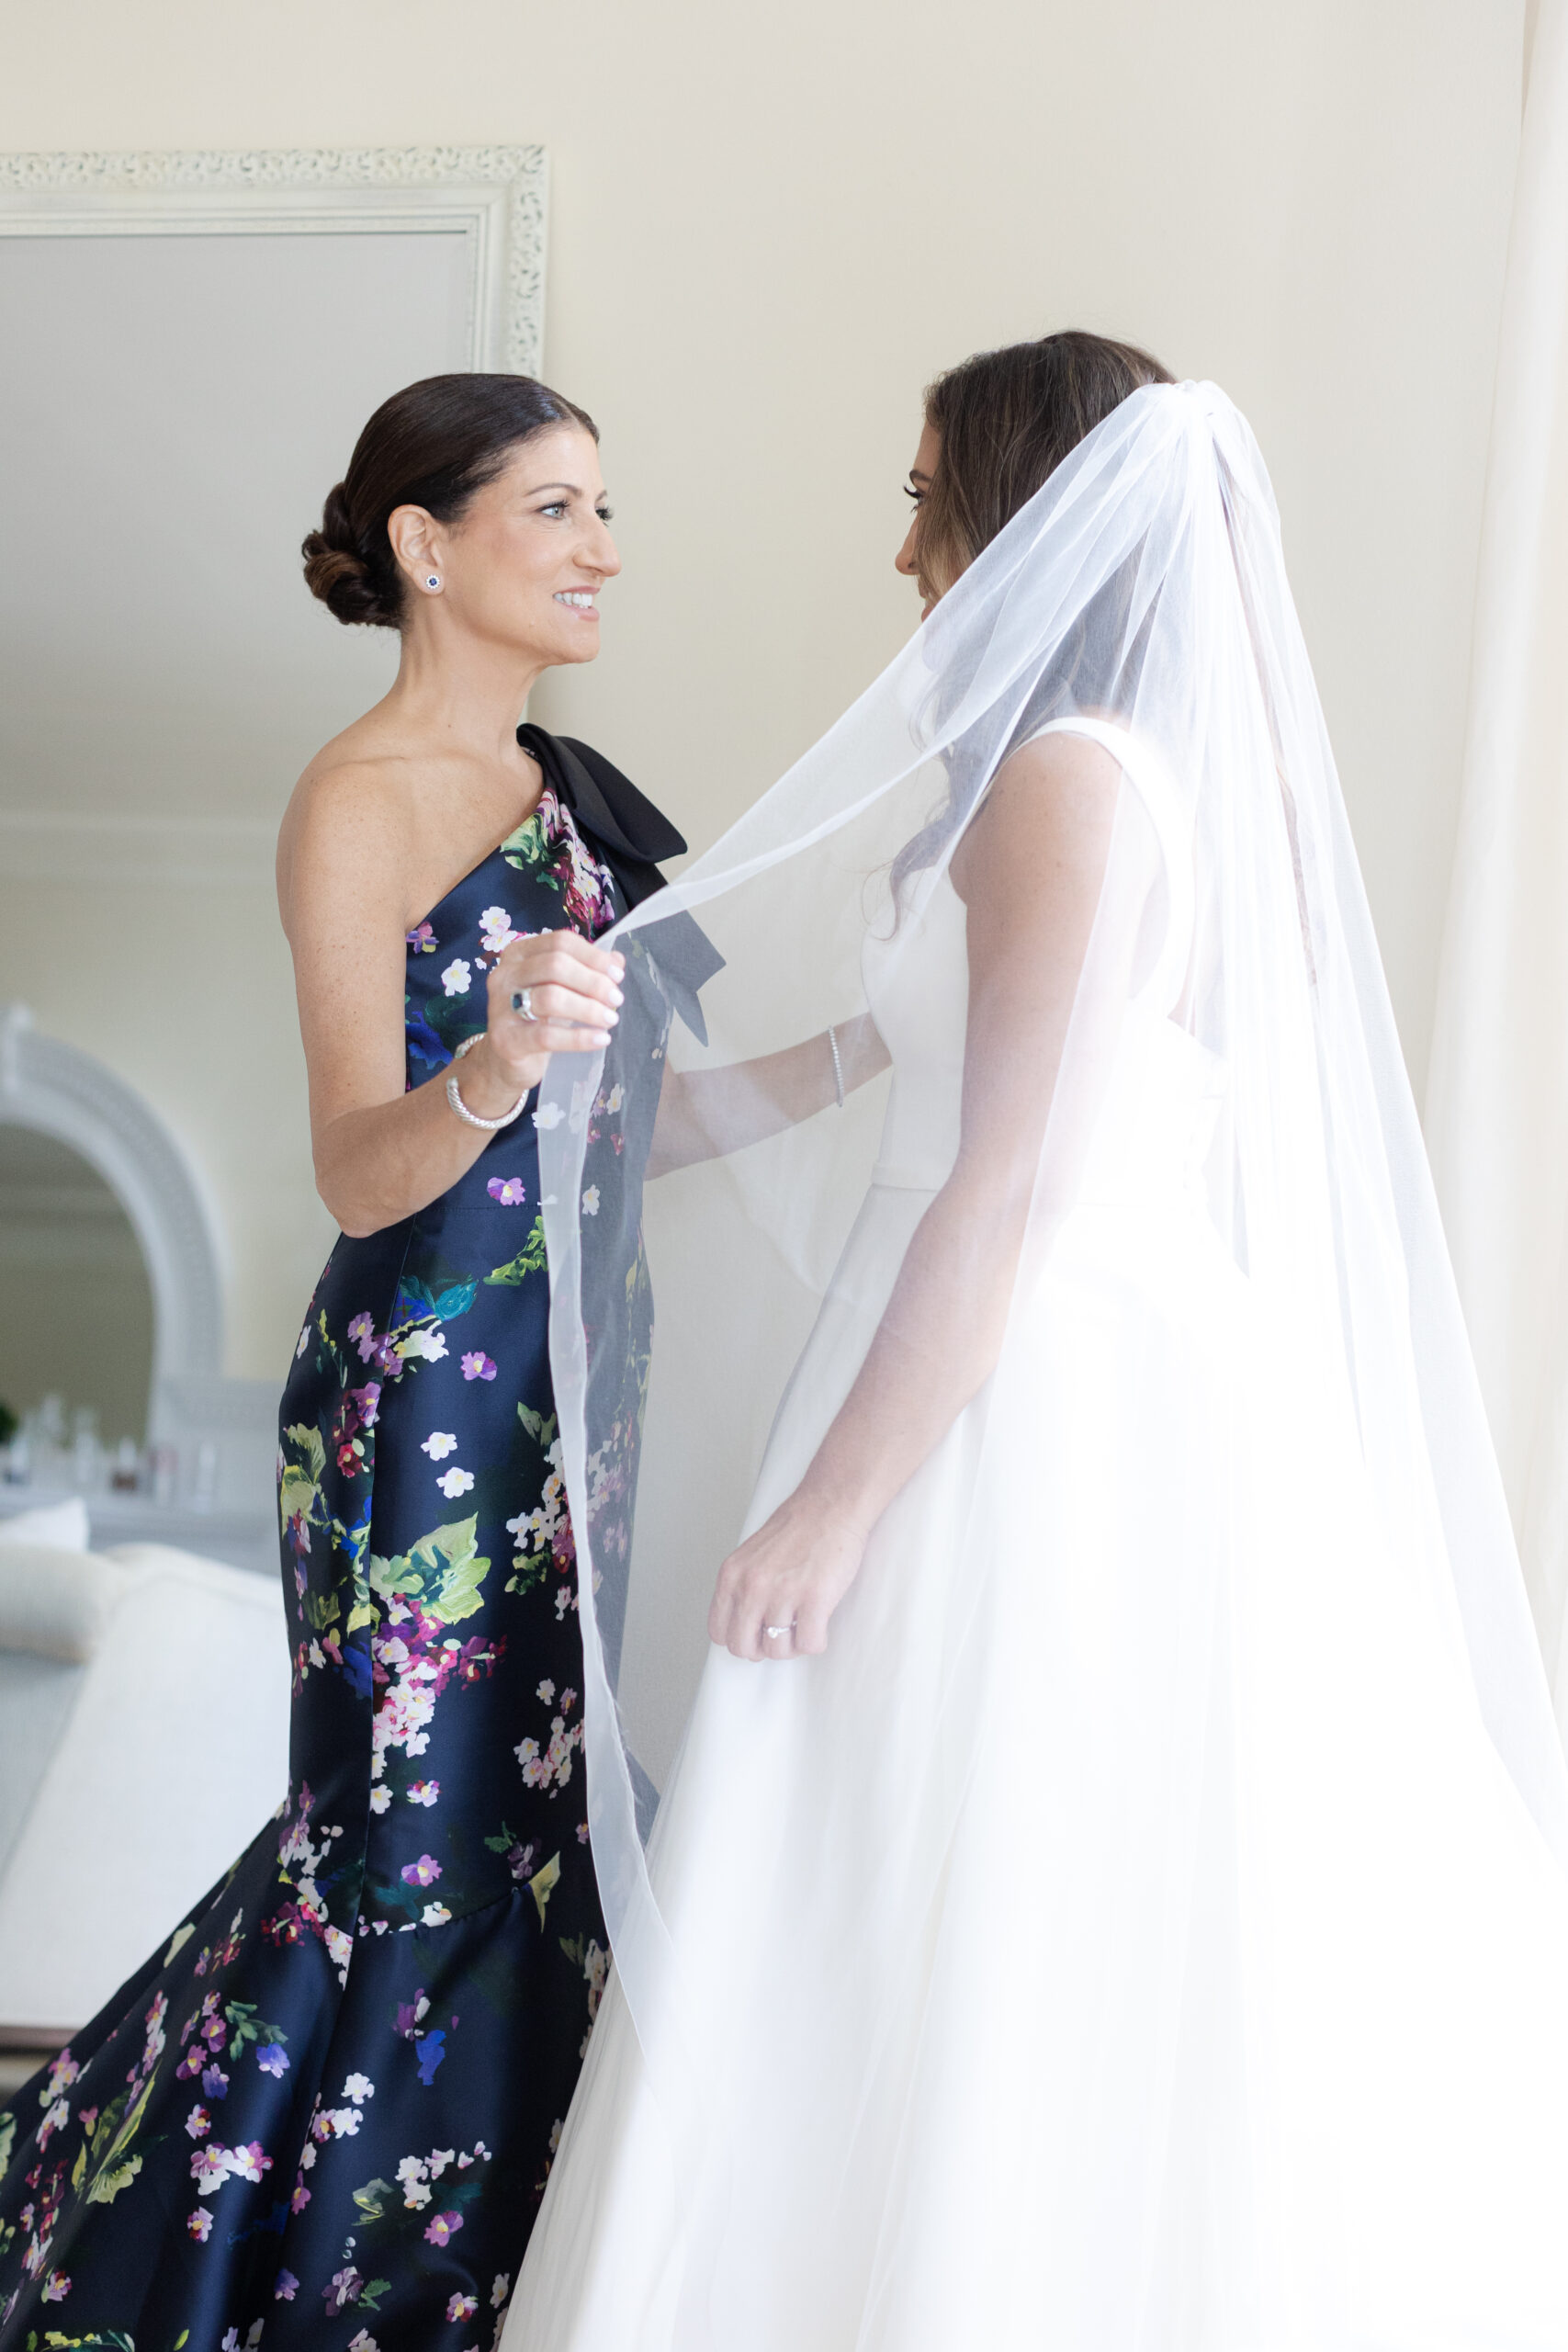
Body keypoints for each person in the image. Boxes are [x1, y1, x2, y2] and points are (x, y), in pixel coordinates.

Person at [503, 333, 1568, 2349]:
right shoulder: (1083, 783)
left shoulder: (1067, 792)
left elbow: (1001, 1188)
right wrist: (603, 1081)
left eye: (927, 500)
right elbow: (861, 1074)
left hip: (1013, 1398)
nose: (907, 553)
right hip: (992, 1357)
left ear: (1022, 513)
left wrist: (830, 1504)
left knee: (960, 1891)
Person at [0, 372, 690, 2348]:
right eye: (555, 510)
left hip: (577, 1394)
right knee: (401, 1842)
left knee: (535, 1842)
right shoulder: (352, 797)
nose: (600, 551)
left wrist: (916, 1042)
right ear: (426, 542)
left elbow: (678, 1115)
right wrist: (490, 1058)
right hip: (420, 1393)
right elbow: (356, 1157)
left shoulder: (587, 802)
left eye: (599, 509)